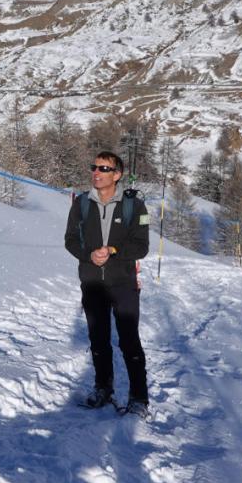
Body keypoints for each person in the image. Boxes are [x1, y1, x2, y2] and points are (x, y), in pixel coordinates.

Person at [64, 150, 152, 414]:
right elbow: (70, 240)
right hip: (92, 282)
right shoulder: (81, 204)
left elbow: (141, 246)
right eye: (95, 167)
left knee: (129, 340)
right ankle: (103, 388)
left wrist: (113, 251)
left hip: (123, 282)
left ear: (117, 175)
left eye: (104, 169)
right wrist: (88, 254)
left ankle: (139, 397)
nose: (97, 172)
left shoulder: (134, 206)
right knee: (98, 340)